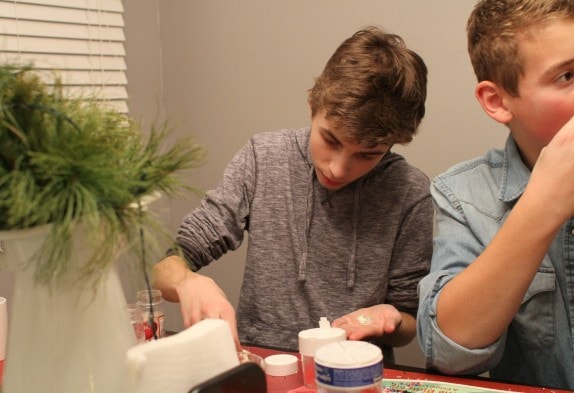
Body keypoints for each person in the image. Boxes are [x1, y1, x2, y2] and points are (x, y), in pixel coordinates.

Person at [153, 26, 432, 364]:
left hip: (354, 375)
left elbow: (407, 322)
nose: (338, 169)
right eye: (330, 140)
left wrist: (389, 317)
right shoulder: (263, 158)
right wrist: (187, 281)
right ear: (313, 103)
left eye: (367, 154)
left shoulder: (409, 192)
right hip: (261, 366)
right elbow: (165, 268)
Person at [417, 0, 574, 389]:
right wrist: (541, 206)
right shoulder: (463, 195)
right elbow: (450, 353)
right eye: (567, 76)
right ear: (498, 101)